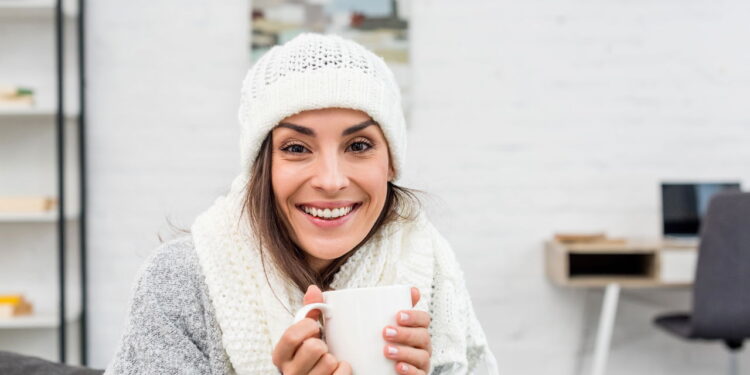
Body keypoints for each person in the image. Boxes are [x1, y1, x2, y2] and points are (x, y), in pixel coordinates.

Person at [105, 33, 498, 375]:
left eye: (358, 146)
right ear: (264, 166)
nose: (330, 180)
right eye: (296, 148)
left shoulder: (428, 272)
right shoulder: (181, 282)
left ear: (391, 162)